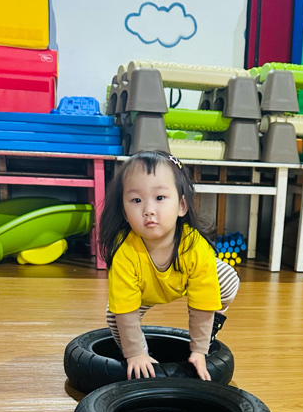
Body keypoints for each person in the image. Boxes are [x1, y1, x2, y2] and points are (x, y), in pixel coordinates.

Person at [98, 151, 239, 381]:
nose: (148, 210)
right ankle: (141, 355)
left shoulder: (195, 246)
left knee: (227, 278)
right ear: (124, 212)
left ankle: (208, 330)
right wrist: (135, 353)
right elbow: (125, 310)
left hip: (185, 280)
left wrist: (199, 350)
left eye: (160, 197)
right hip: (144, 292)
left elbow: (203, 301)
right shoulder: (124, 251)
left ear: (182, 205)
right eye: (136, 200)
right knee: (114, 315)